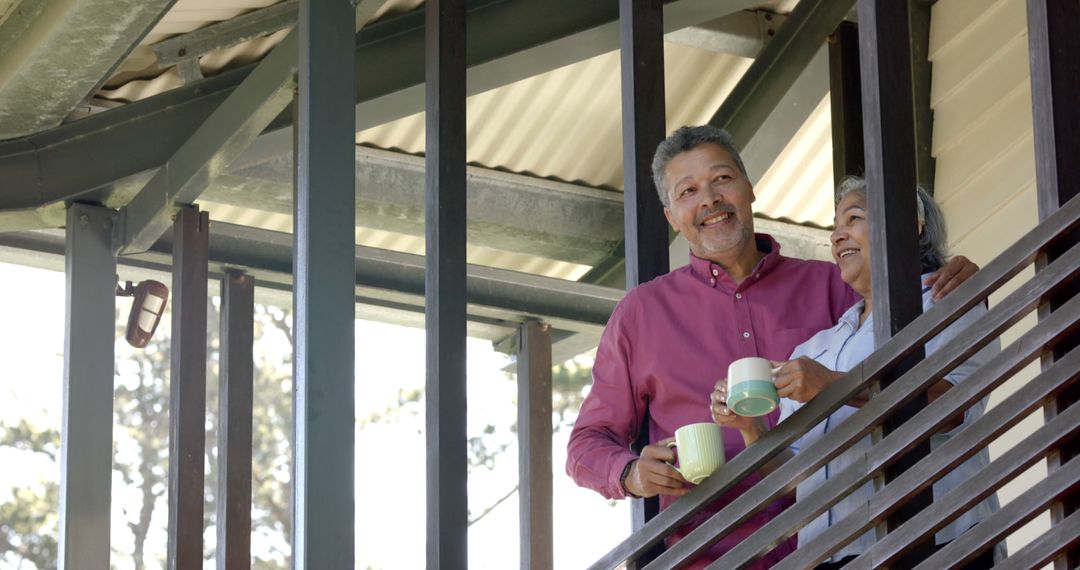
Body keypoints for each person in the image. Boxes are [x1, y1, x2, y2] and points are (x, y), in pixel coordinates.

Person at [565, 125, 977, 568]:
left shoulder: (833, 286)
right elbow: (587, 443)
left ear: (749, 188)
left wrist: (948, 267)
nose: (709, 199)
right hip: (710, 555)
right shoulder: (640, 314)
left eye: (722, 179)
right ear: (672, 217)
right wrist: (630, 474)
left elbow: (910, 320)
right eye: (688, 191)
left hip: (842, 543)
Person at [710, 177, 1002, 569]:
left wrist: (833, 386)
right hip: (833, 557)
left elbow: (951, 406)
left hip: (936, 541)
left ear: (907, 225)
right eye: (834, 225)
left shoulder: (946, 299)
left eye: (853, 218)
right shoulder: (816, 348)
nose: (836, 235)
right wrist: (750, 428)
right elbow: (794, 477)